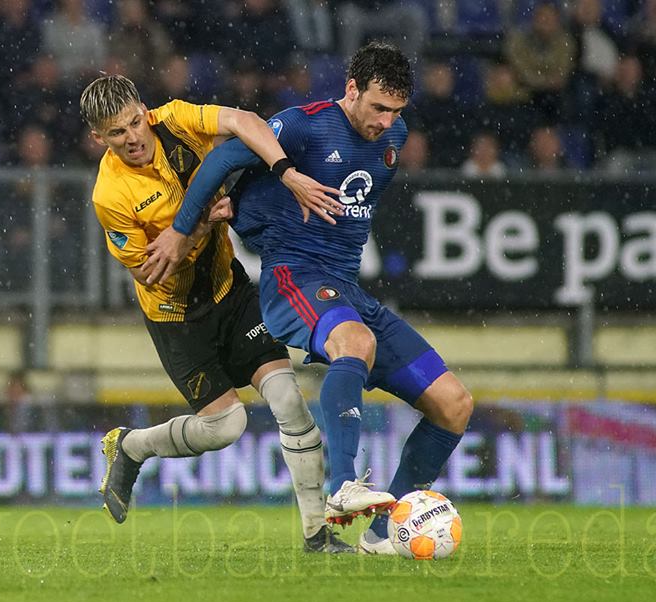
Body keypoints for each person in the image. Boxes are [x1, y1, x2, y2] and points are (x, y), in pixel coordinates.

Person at [144, 41, 474, 556]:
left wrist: (251, 203)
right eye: (377, 107)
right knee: (354, 341)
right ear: (351, 90)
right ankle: (343, 486)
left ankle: (386, 534)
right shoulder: (303, 125)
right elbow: (221, 164)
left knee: (454, 404)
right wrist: (183, 230)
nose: (386, 121)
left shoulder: (394, 138)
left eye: (396, 111)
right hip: (292, 277)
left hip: (345, 287)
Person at [80, 74, 352, 553]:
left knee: (289, 400)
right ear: (99, 139)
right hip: (176, 315)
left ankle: (317, 535)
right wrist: (200, 225)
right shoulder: (110, 195)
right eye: (116, 133)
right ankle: (132, 447)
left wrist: (285, 170)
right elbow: (148, 274)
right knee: (227, 427)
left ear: (145, 110)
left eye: (134, 123)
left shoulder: (177, 120)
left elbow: (245, 121)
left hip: (230, 290)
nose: (133, 138)